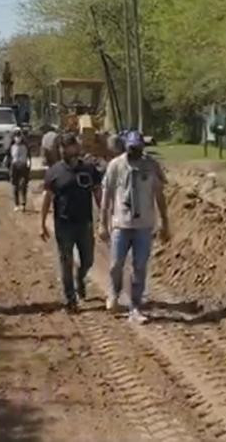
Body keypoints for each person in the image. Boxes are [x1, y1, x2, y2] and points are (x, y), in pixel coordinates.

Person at [100, 130, 170, 323]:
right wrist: (102, 224)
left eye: (138, 148)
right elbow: (106, 196)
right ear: (126, 147)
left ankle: (135, 306)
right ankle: (114, 294)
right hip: (120, 224)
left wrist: (165, 222)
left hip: (143, 225)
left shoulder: (151, 166)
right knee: (116, 264)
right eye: (131, 148)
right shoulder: (115, 166)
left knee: (139, 266)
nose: (135, 152)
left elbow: (159, 195)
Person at [40, 133, 102, 310]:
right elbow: (47, 198)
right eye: (65, 147)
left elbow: (98, 194)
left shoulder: (89, 170)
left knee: (88, 259)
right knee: (65, 261)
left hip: (85, 223)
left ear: (77, 147)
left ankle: (80, 278)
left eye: (72, 146)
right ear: (61, 150)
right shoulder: (54, 172)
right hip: (64, 224)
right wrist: (42, 223)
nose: (69, 150)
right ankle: (70, 299)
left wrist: (105, 217)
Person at [7, 130, 31, 211]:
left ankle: (23, 203)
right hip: (14, 167)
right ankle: (16, 204)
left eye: (19, 136)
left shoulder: (25, 146)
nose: (18, 138)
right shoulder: (11, 147)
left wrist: (29, 165)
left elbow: (29, 157)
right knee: (15, 186)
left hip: (23, 166)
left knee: (23, 185)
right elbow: (9, 158)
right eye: (16, 136)